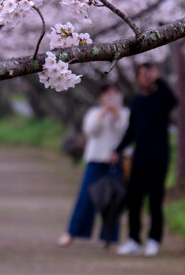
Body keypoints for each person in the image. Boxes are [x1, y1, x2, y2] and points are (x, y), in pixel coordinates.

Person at [112, 63, 178, 256]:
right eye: (142, 75)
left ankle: (153, 239)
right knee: (134, 200)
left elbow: (174, 100)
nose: (146, 78)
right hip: (139, 158)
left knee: (155, 201)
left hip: (158, 158)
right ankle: (133, 239)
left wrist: (159, 79)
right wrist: (118, 149)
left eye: (149, 75)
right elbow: (131, 129)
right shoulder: (137, 101)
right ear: (137, 78)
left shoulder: (162, 98)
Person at [58, 82, 129, 248]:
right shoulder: (94, 113)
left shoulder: (126, 113)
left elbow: (126, 133)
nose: (111, 98)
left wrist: (117, 116)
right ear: (101, 97)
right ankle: (72, 232)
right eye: (107, 94)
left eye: (114, 94)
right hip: (96, 160)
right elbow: (91, 131)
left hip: (116, 162)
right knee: (85, 198)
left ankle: (109, 237)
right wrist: (104, 112)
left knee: (113, 201)